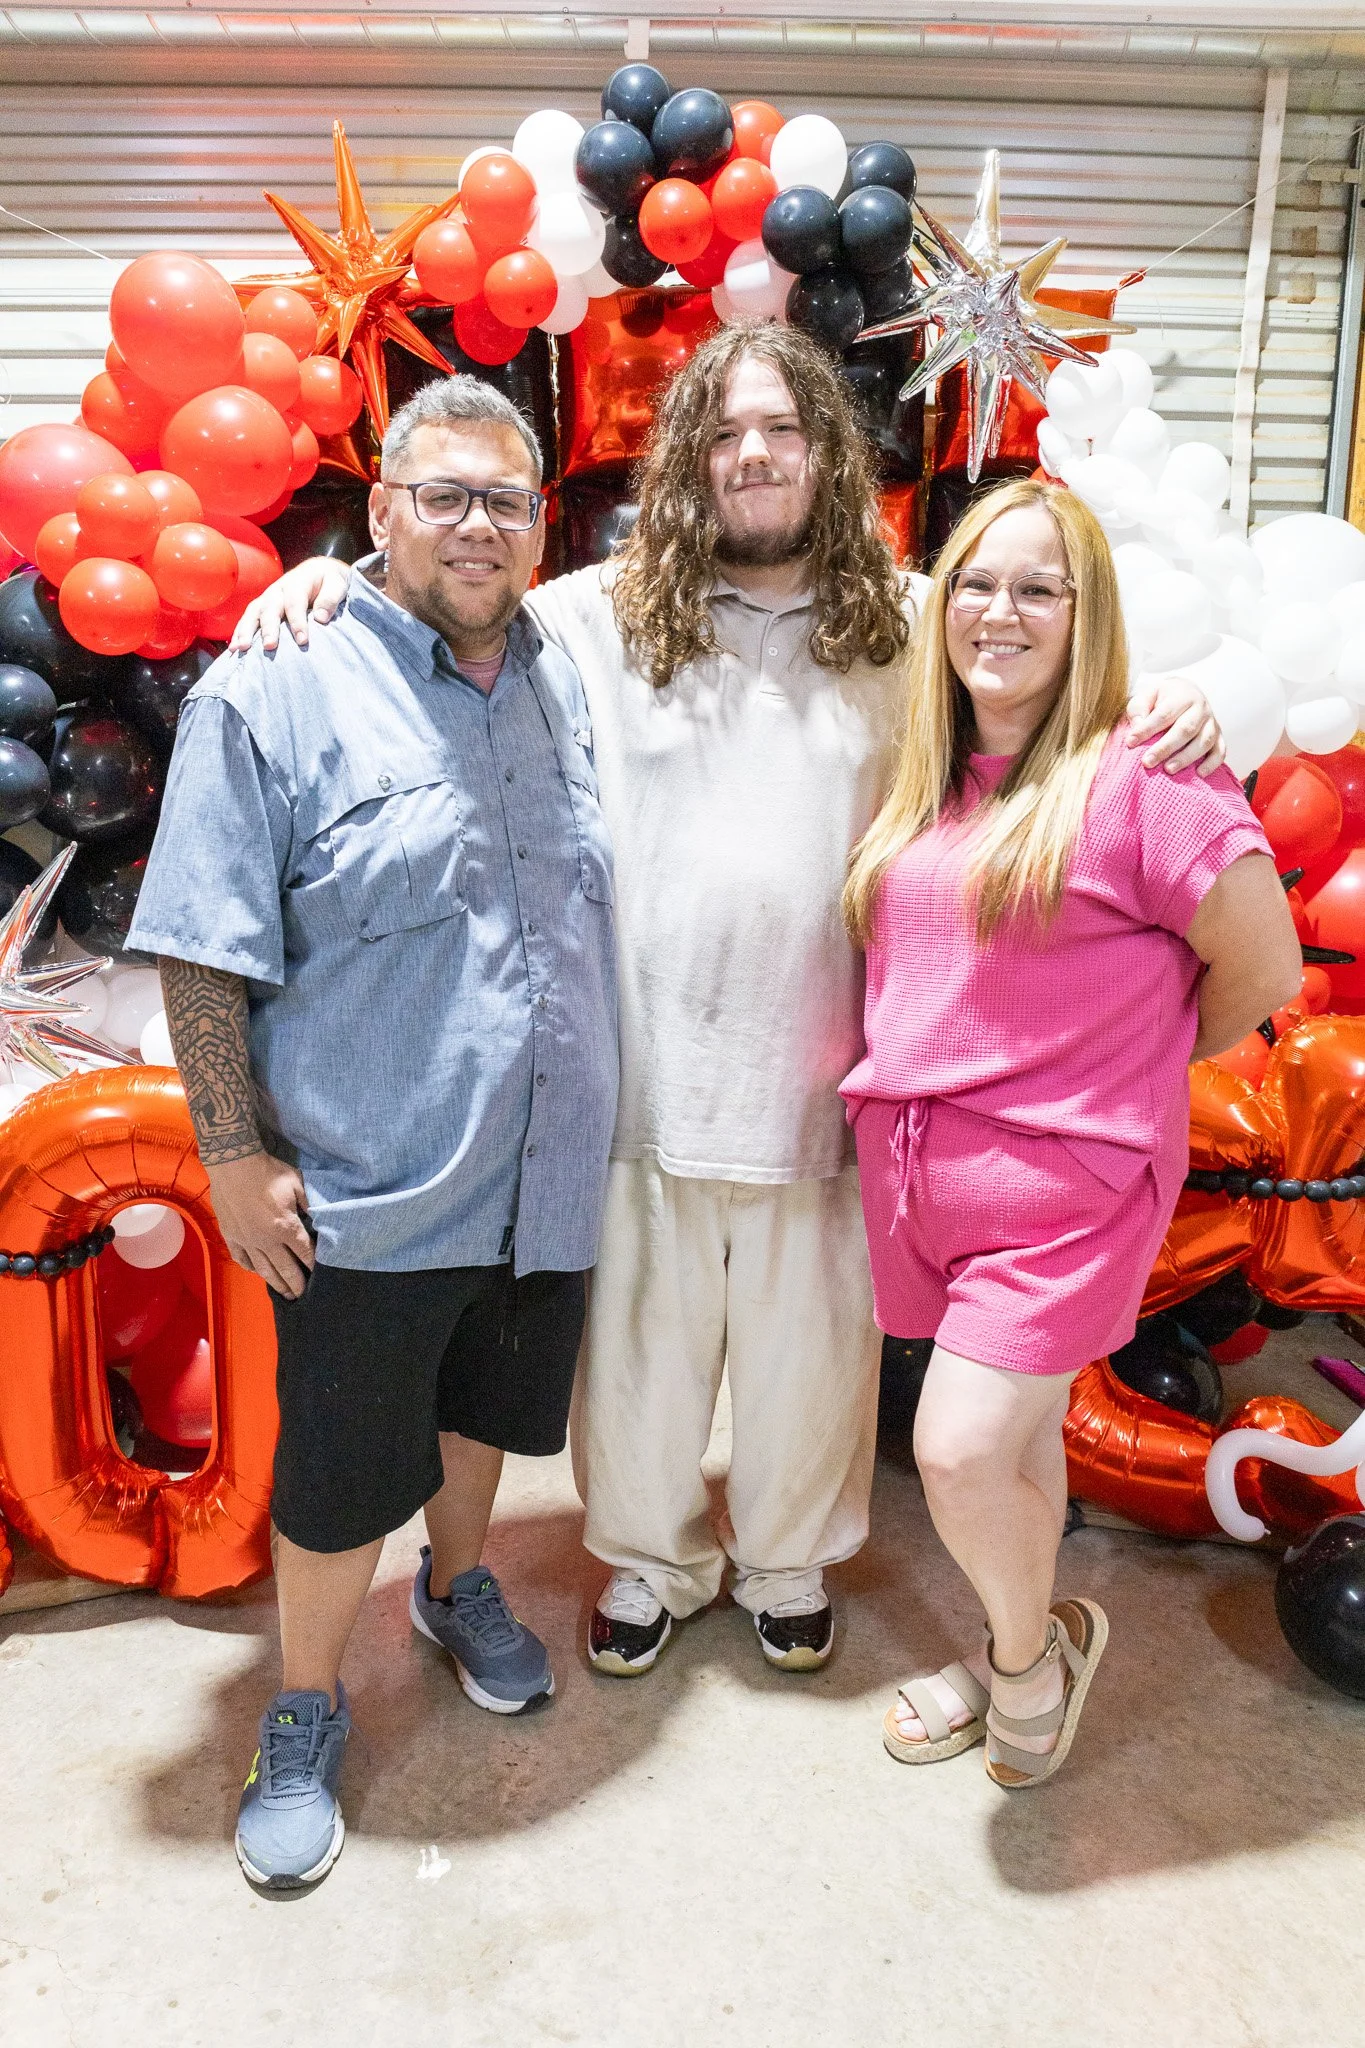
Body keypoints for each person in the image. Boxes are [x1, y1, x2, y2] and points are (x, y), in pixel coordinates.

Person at [233, 324, 1223, 1681]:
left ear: (827, 448)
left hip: (833, 1076)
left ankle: (785, 1561)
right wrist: (327, 583)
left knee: (813, 1361)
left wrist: (1168, 699)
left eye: (783, 429)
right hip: (644, 1073)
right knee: (637, 1360)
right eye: (723, 433)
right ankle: (647, 1563)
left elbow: (1037, 658)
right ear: (689, 458)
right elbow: (448, 587)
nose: (753, 454)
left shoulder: (913, 617)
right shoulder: (593, 613)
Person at [128, 376, 618, 1889]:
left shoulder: (558, 671)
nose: (478, 524)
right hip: (373, 1184)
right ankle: (305, 1701)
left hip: (541, 1176)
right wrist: (228, 1153)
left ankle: (459, 1586)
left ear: (540, 525)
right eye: (445, 495)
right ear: (383, 512)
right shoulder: (270, 686)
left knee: (486, 1422)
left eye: (507, 500)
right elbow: (205, 949)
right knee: (340, 1476)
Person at [840, 477, 1299, 1787]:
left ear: (1087, 615)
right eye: (978, 582)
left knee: (958, 1446)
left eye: (1040, 586)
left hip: (1072, 1192)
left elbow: (1259, 975)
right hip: (935, 1186)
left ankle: (1029, 1663)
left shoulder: (1148, 766)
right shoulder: (930, 773)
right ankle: (1012, 1640)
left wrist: (1124, 1067)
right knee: (1024, 1443)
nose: (1001, 610)